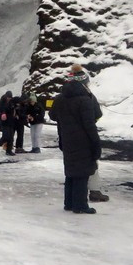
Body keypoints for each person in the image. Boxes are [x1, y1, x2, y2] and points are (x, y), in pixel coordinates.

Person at [49, 66, 101, 213]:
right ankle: (80, 205)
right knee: (82, 174)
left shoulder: (60, 98)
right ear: (84, 84)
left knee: (71, 172)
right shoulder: (85, 99)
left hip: (66, 139)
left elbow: (52, 115)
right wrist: (96, 144)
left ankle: (69, 203)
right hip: (83, 141)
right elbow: (90, 124)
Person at [0, 91, 16, 155]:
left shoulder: (12, 102)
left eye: (10, 98)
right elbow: (2, 110)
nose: (9, 99)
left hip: (11, 121)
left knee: (11, 137)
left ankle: (9, 150)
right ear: (6, 96)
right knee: (5, 137)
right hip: (4, 122)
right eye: (8, 97)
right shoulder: (1, 102)